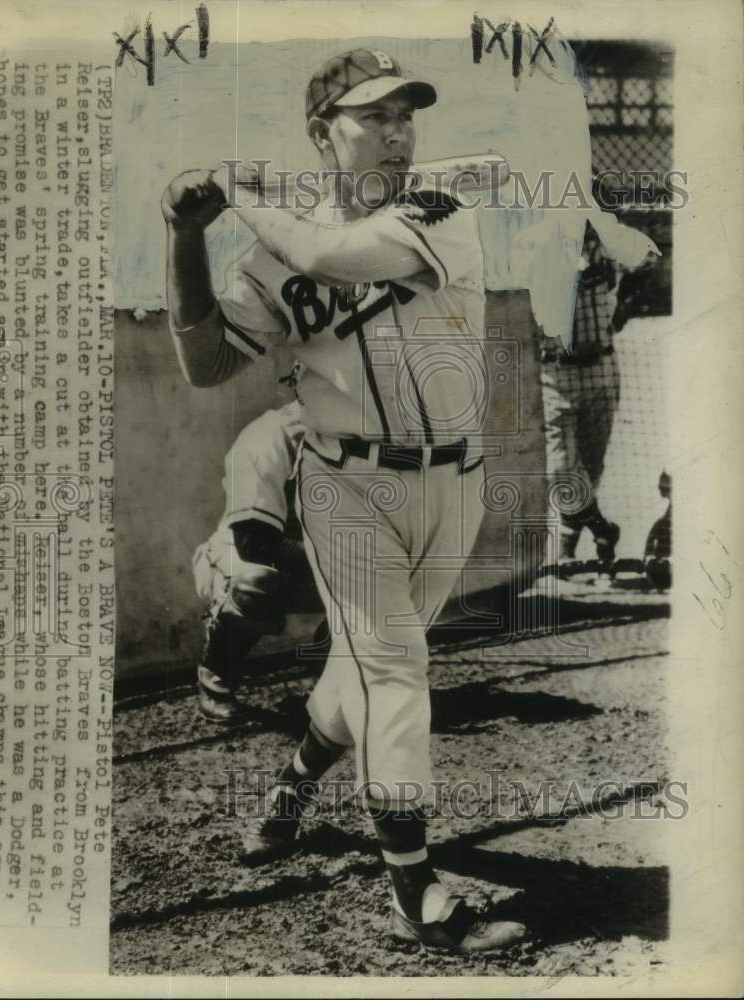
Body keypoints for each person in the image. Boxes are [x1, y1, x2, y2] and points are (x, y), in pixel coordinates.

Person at [162, 48, 525, 954]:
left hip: (455, 481)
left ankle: (291, 782)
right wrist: (185, 235)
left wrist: (239, 192)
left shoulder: (437, 209)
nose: (399, 134)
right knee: (395, 670)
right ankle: (415, 898)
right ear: (325, 133)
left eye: (408, 115)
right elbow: (205, 363)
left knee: (358, 676)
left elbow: (335, 252)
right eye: (376, 117)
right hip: (345, 483)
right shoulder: (272, 246)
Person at [192, 400, 325, 722]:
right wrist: (346, 561)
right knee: (256, 585)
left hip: (319, 560)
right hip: (239, 560)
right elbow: (254, 543)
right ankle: (216, 674)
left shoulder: (361, 429)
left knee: (403, 568)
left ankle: (331, 664)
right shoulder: (268, 436)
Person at [539, 220, 624, 573]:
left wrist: (623, 307)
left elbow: (642, 270)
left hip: (602, 366)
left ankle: (567, 551)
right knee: (561, 472)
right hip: (556, 372)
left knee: (590, 468)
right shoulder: (536, 249)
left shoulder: (612, 245)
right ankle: (604, 529)